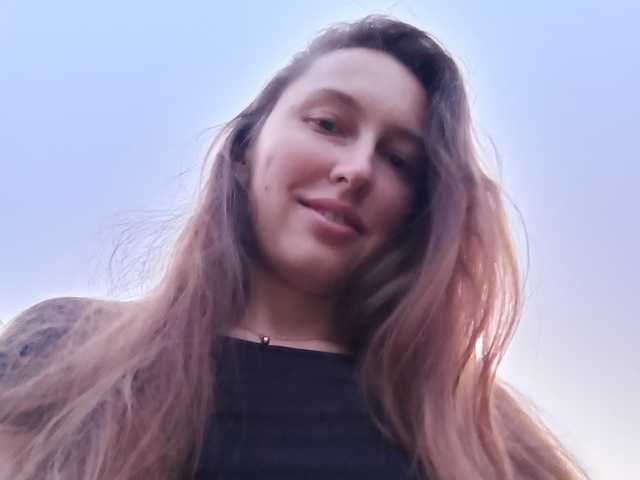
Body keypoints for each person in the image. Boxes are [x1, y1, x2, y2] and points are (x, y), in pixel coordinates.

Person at [0, 15, 588, 480]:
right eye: (328, 124)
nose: (357, 169)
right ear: (244, 148)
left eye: (398, 159)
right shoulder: (60, 354)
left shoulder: (476, 433)